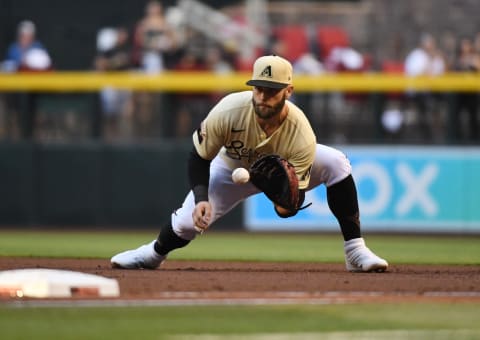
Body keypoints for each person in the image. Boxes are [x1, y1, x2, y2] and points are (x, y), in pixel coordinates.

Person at [111, 55, 388, 273]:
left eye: (271, 90)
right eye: (258, 89)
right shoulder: (229, 110)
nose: (262, 97)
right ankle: (153, 254)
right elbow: (199, 156)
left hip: (278, 169)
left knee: (337, 162)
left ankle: (355, 250)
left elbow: (288, 209)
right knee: (186, 224)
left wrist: (275, 190)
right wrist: (201, 198)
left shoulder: (300, 132)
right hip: (229, 168)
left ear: (288, 91)